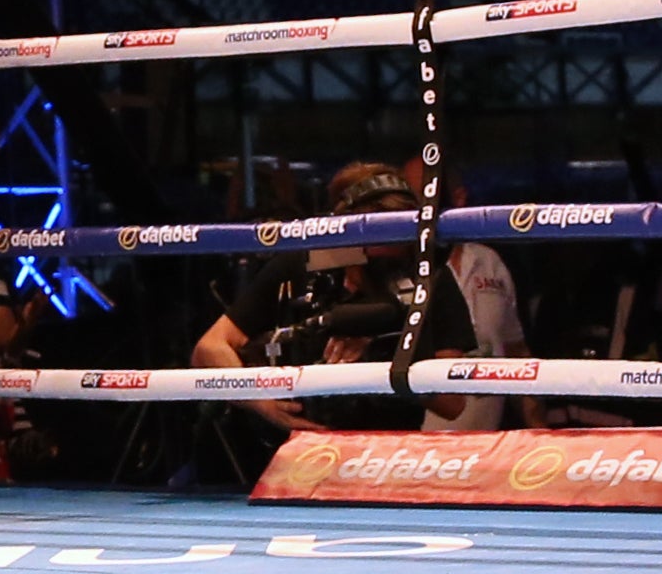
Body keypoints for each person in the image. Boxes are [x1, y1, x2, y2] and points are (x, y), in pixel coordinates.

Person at [193, 162, 481, 460]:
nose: (386, 253)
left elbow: (451, 402)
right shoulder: (302, 265)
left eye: (396, 238)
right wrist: (260, 401)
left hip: (385, 457)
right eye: (374, 238)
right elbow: (209, 348)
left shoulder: (429, 279)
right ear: (342, 228)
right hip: (289, 455)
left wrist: (382, 361)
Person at [402, 157, 536, 433]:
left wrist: (539, 430)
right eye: (409, 197)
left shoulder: (490, 262)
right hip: (411, 449)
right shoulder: (396, 273)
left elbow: (516, 351)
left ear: (458, 197)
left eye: (426, 196)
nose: (419, 209)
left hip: (483, 452)